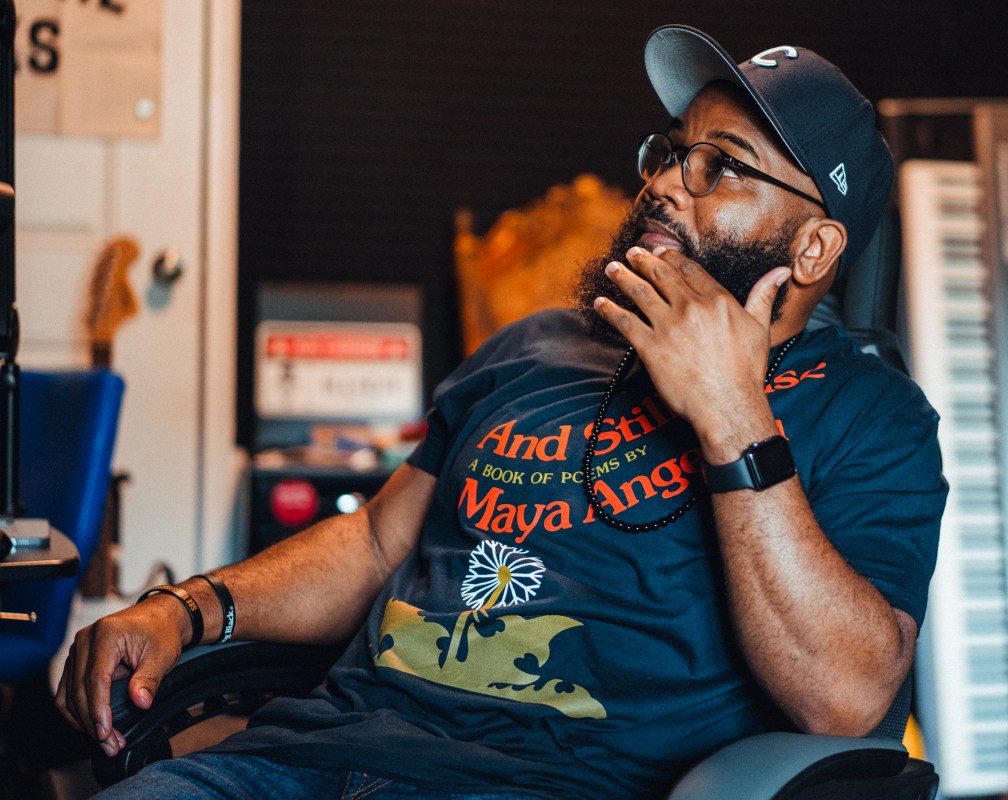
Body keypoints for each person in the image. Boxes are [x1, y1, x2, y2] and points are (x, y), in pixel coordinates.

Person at [57, 24, 946, 800]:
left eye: (721, 168)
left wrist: (731, 415)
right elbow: (373, 544)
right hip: (303, 756)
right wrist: (184, 610)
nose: (669, 183)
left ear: (816, 243)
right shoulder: (538, 345)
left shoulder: (870, 417)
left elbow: (844, 698)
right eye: (672, 152)